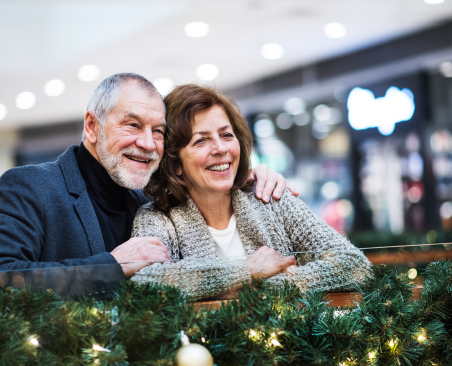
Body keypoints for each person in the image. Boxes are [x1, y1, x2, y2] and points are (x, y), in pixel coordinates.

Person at [0, 73, 295, 300]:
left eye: (158, 131)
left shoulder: (150, 201)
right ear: (92, 126)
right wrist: (112, 266)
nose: (147, 143)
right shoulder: (31, 186)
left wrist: (248, 179)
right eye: (132, 125)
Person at [130, 84, 372, 300]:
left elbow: (355, 265)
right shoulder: (156, 217)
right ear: (176, 164)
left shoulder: (272, 198)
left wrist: (267, 286)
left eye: (226, 135)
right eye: (201, 141)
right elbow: (145, 283)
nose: (221, 148)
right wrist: (247, 269)